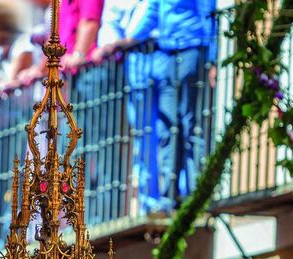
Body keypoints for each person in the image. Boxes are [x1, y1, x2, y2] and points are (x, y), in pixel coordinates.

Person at [130, 0, 216, 213]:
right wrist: (128, 41)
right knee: (168, 127)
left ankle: (196, 192)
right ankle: (170, 195)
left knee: (191, 124)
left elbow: (208, 15)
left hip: (192, 50)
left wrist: (213, 59)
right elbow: (153, 12)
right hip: (167, 54)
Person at [92, 0, 157, 216]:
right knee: (142, 134)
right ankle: (147, 200)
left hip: (155, 56)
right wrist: (112, 46)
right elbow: (111, 22)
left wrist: (127, 41)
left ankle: (158, 199)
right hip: (134, 66)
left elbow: (151, 14)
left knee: (159, 132)